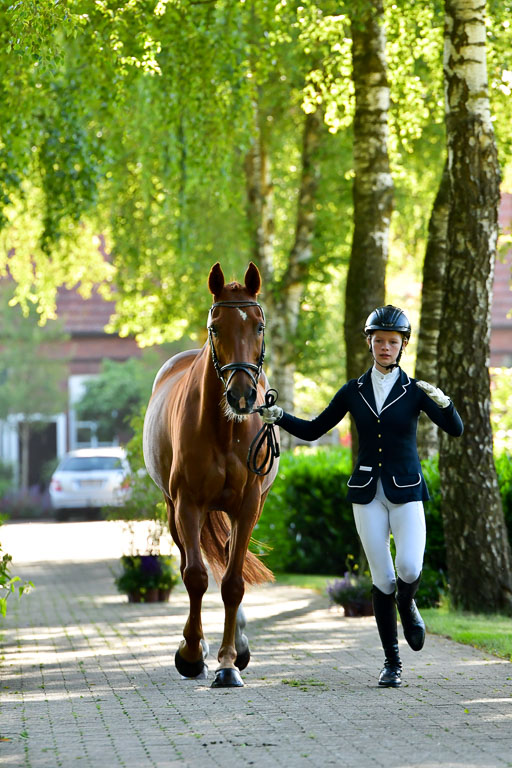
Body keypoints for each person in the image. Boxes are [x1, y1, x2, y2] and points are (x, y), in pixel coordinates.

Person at [260, 305, 463, 688]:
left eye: (393, 342)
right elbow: (316, 428)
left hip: (406, 490)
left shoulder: (416, 390)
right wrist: (279, 416)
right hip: (367, 493)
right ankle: (392, 662)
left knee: (409, 570)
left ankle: (408, 603)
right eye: (379, 341)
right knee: (383, 578)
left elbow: (455, 429)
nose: (385, 348)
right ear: (369, 343)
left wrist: (444, 403)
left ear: (403, 345)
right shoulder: (353, 391)